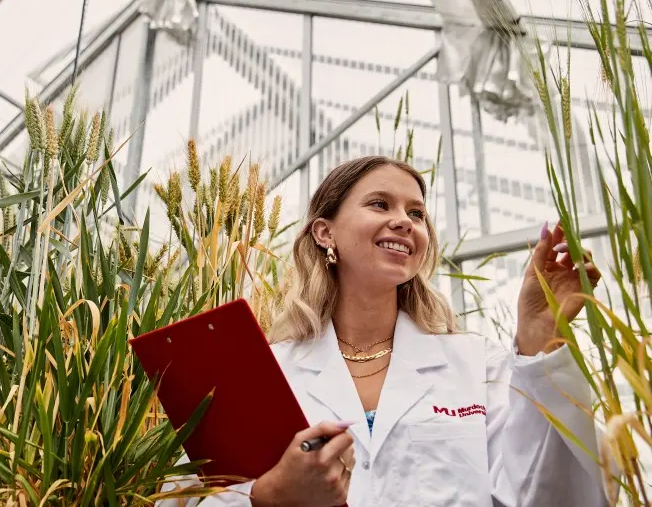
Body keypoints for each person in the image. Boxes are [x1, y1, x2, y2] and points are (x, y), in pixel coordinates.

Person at [155, 156, 609, 507]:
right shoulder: (261, 373)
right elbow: (179, 495)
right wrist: (267, 497)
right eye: (379, 204)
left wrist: (540, 343)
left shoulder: (478, 363)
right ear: (324, 233)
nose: (405, 221)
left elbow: (552, 493)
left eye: (417, 212)